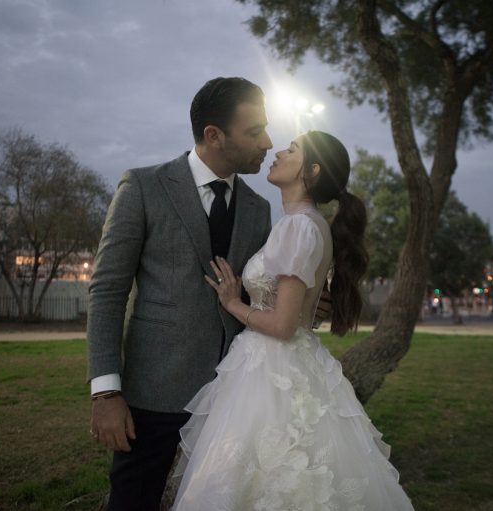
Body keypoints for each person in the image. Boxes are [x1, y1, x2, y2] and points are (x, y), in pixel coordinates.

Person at [171, 131, 415, 510]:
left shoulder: (298, 226)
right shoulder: (309, 225)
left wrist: (233, 303)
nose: (279, 152)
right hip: (288, 362)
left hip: (272, 367)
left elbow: (284, 325)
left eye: (292, 150)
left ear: (312, 170)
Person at [86, 77, 273, 511]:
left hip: (232, 396)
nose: (267, 142)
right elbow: (107, 291)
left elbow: (258, 295)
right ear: (214, 135)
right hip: (153, 395)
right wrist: (106, 393)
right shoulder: (143, 188)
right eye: (254, 131)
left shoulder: (260, 209)